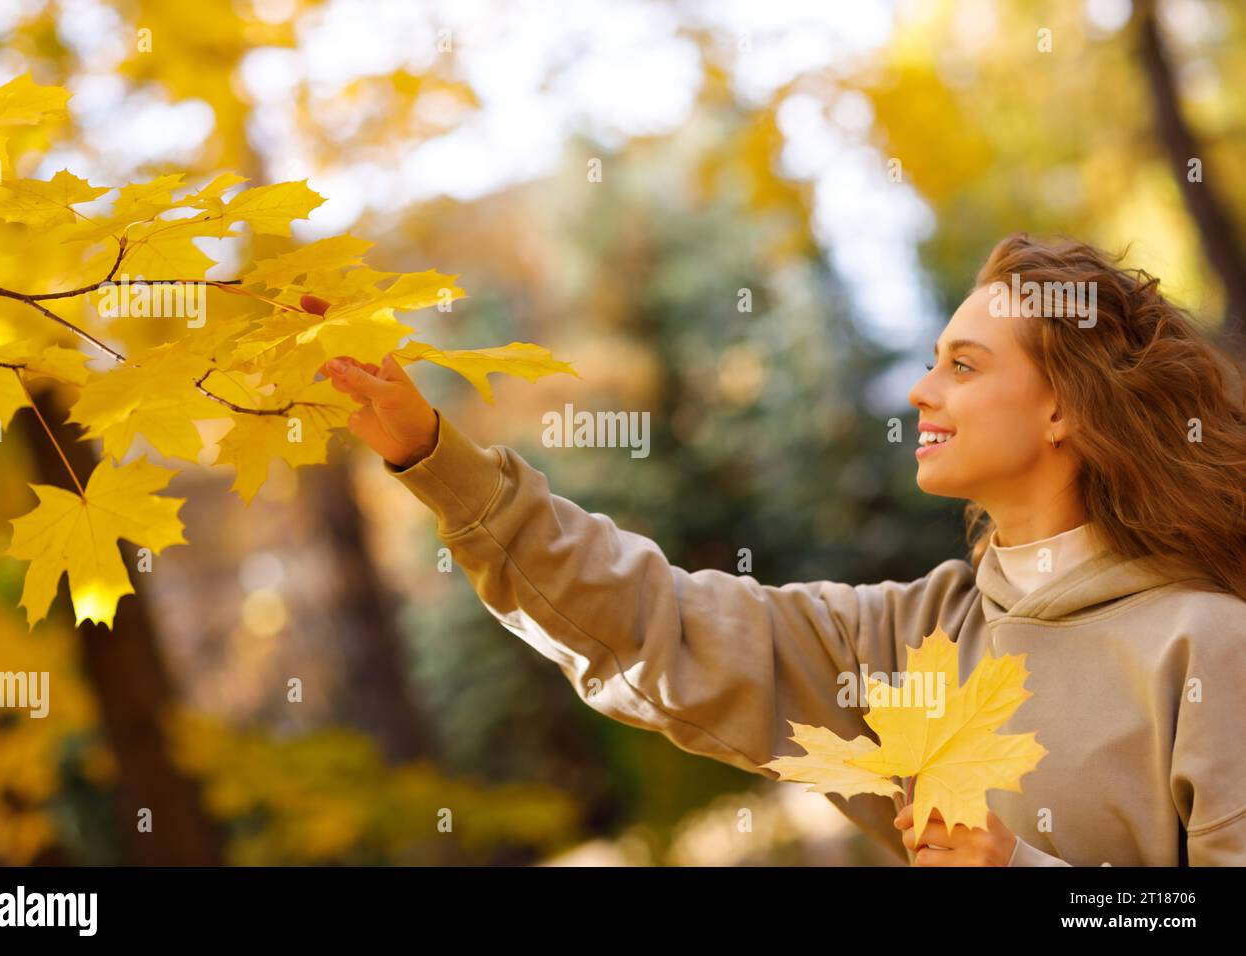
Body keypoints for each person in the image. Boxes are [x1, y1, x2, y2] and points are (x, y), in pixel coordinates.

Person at [317, 233, 1246, 866]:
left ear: (1064, 408)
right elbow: (655, 624)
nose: (922, 390)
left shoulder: (1204, 645)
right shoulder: (905, 645)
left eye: (964, 365)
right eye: (932, 360)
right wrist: (429, 455)